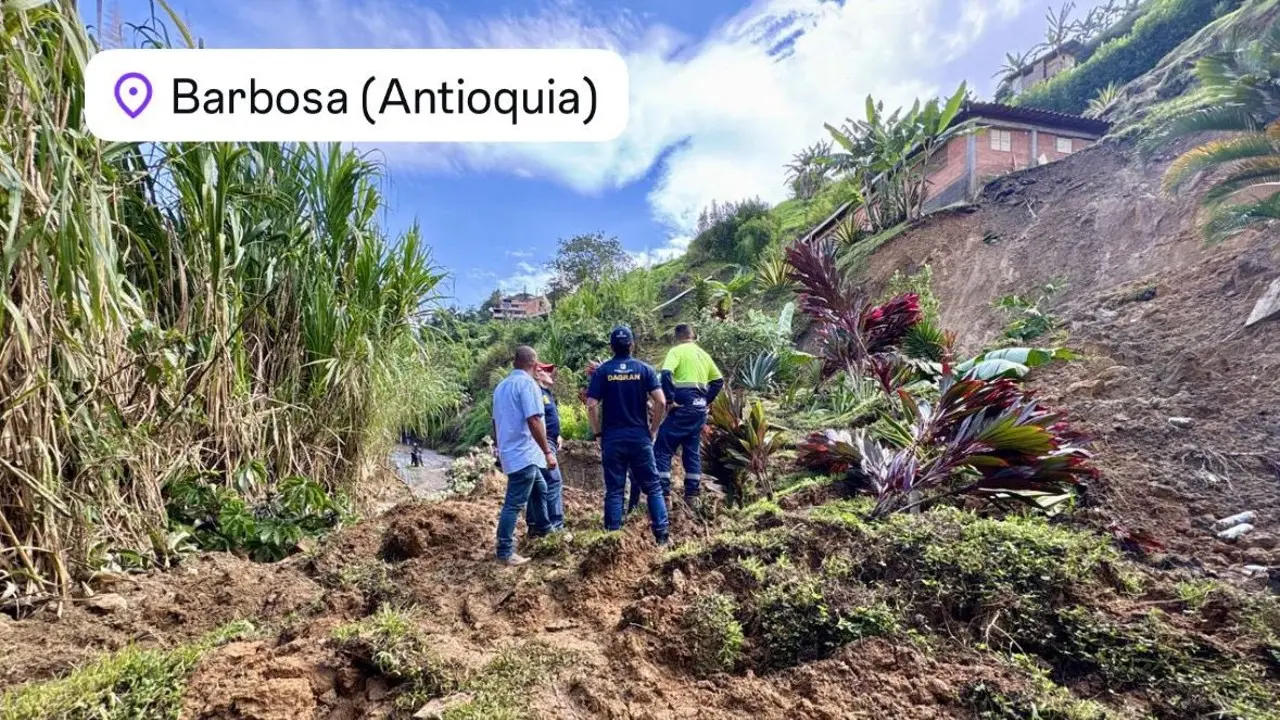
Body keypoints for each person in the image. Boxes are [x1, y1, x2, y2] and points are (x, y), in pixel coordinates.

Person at [585, 325, 669, 544]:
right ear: (632, 345)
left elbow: (591, 405)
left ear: (611, 347)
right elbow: (661, 401)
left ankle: (613, 539)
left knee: (614, 490)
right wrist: (653, 429)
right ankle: (661, 537)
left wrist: (598, 433)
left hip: (612, 439)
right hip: (639, 437)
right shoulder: (644, 369)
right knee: (653, 487)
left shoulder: (603, 372)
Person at [490, 345, 558, 566]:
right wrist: (547, 452)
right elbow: (534, 419)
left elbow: (495, 422)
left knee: (540, 488)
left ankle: (544, 529)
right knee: (514, 502)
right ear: (534, 364)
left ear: (514, 362)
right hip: (524, 453)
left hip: (511, 451)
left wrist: (498, 447)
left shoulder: (501, 386)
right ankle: (504, 551)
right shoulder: (528, 385)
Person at [654, 323, 723, 506]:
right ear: (693, 336)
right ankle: (692, 494)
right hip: (698, 410)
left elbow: (666, 374)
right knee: (692, 451)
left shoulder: (676, 352)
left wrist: (669, 399)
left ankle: (663, 494)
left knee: (662, 447)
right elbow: (718, 381)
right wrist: (706, 401)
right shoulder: (703, 355)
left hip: (682, 407)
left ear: (677, 337)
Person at [527, 362, 567, 538]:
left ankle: (535, 525)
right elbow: (534, 420)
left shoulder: (547, 394)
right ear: (537, 373)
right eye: (546, 371)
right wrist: (546, 446)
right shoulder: (536, 392)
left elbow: (548, 419)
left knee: (538, 483)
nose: (551, 374)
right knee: (553, 480)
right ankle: (555, 525)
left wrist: (557, 435)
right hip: (542, 444)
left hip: (549, 441)